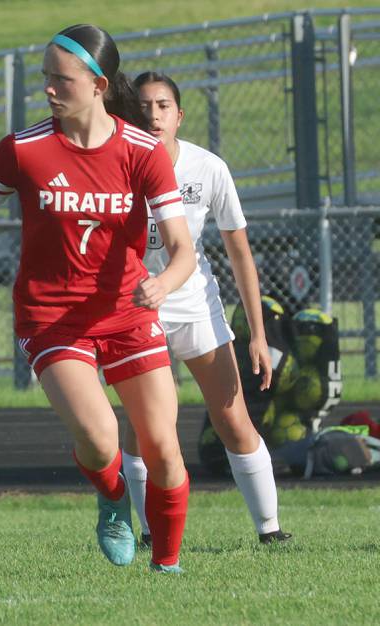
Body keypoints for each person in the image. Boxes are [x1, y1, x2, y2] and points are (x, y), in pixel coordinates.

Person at [0, 25, 196, 573]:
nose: (50, 89)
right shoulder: (23, 150)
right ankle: (111, 496)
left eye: (62, 79)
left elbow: (182, 250)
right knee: (102, 441)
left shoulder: (143, 151)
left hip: (128, 313)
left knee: (164, 449)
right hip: (52, 318)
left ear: (99, 84)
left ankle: (167, 570)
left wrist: (164, 283)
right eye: (46, 78)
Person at [121, 71, 292, 547]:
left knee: (233, 417)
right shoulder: (118, 164)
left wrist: (256, 333)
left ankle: (270, 530)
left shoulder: (208, 168)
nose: (153, 115)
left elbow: (240, 253)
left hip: (195, 304)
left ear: (179, 115)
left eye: (162, 106)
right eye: (143, 106)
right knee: (148, 424)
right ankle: (151, 530)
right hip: (136, 309)